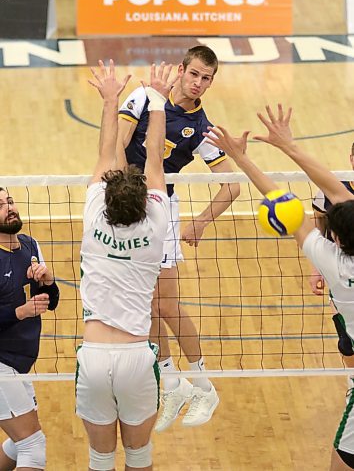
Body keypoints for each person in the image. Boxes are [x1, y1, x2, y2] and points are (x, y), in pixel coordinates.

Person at [204, 104, 354, 471]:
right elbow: (336, 190)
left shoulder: (332, 264)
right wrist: (291, 147)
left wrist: (241, 157)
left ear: (336, 237)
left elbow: (284, 204)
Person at [118, 46, 240, 431]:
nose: (199, 83)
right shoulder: (143, 96)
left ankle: (204, 386)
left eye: (207, 78)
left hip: (161, 211)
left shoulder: (201, 129)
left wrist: (202, 221)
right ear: (181, 70)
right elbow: (116, 147)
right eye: (195, 74)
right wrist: (121, 198)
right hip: (126, 207)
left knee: (167, 306)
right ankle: (173, 383)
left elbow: (232, 186)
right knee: (147, 308)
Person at [76, 60, 175, 471]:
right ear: (145, 202)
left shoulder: (94, 218)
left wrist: (112, 99)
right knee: (139, 457)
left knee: (100, 459)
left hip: (95, 357)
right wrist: (158, 98)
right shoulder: (155, 228)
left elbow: (105, 152)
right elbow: (154, 157)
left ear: (107, 198)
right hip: (137, 357)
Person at [0, 188, 60, 471]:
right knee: (32, 446)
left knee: (17, 442)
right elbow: (23, 310)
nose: (8, 207)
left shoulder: (30, 245)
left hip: (19, 364)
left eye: (9, 201)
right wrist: (19, 312)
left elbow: (52, 302)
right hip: (1, 364)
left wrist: (48, 281)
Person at [311, 143, 354, 371]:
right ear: (351, 158)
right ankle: (352, 381)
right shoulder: (332, 189)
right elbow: (319, 222)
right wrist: (317, 267)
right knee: (346, 340)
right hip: (339, 268)